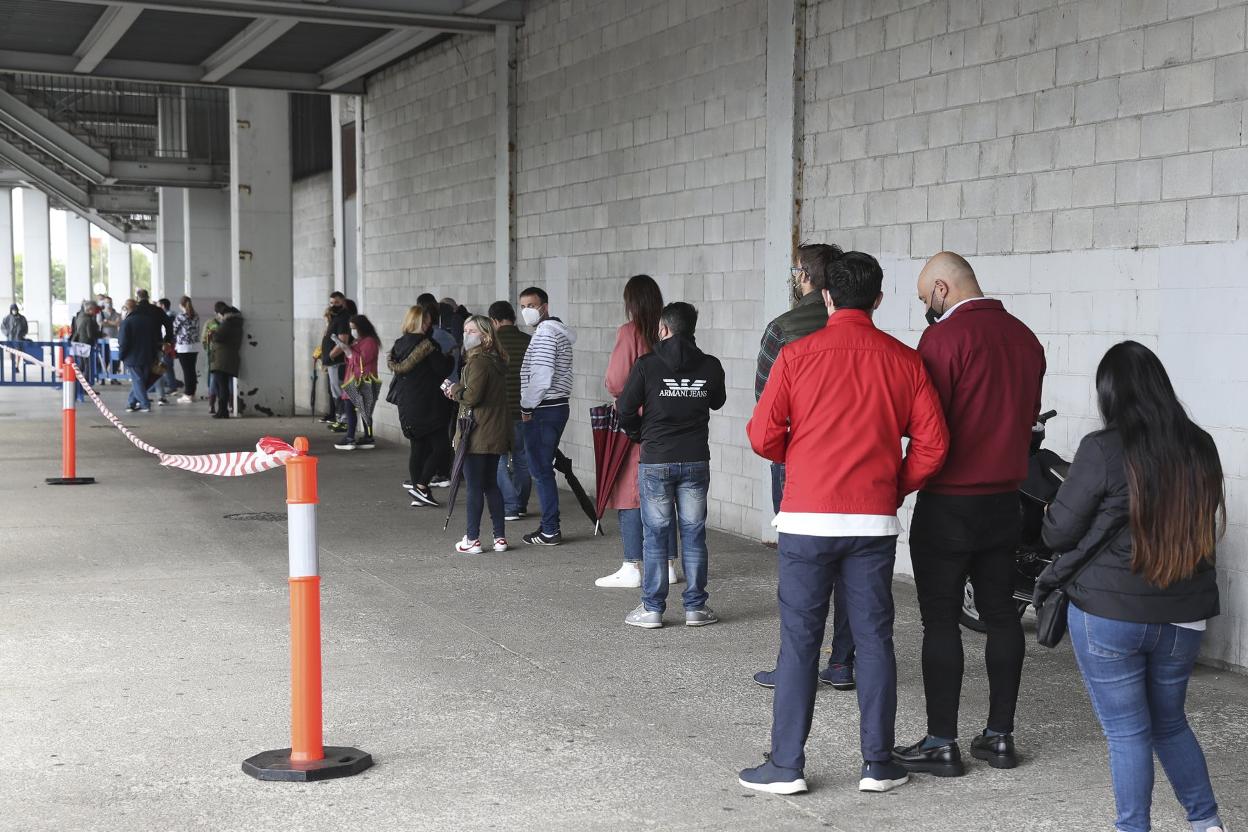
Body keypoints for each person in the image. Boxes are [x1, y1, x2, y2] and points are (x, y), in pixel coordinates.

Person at [738, 251, 949, 796]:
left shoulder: (795, 355)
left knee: (799, 642)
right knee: (875, 641)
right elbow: (933, 444)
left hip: (807, 518)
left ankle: (786, 765)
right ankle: (878, 765)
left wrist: (800, 459)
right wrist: (893, 486)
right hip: (871, 522)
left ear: (827, 296)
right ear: (878, 299)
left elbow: (762, 435)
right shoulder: (905, 360)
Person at [1037, 342, 1225, 832]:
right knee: (1171, 723)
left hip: (1109, 615)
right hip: (1183, 615)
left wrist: (1053, 508)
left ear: (1110, 394)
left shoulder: (1102, 448)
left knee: (1127, 733)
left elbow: (1058, 533)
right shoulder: (1200, 444)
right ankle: (1207, 823)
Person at [892, 252, 1046, 777]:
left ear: (941, 288)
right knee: (1002, 615)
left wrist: (901, 483)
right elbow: (1028, 420)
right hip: (1005, 501)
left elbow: (925, 424)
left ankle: (941, 742)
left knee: (940, 620)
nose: (926, 308)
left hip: (949, 503)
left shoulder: (943, 340)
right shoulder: (1026, 338)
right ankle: (1000, 737)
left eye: (924, 298)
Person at [752, 243, 856, 692]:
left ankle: (796, 667)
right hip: (858, 464)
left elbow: (766, 408)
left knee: (801, 570)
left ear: (805, 277)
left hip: (799, 463)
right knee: (853, 569)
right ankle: (843, 663)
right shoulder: (865, 332)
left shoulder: (783, 329)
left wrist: (785, 454)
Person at [617, 302, 726, 629]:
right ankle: (696, 608)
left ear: (663, 329)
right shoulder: (710, 365)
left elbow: (624, 409)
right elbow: (718, 401)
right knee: (694, 534)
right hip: (695, 459)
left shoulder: (646, 365)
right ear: (691, 330)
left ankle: (652, 609)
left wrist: (639, 435)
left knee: (655, 535)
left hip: (656, 460)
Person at [596, 275, 681, 589]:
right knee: (663, 493)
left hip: (637, 422)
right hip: (669, 420)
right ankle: (668, 565)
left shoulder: (630, 331)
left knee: (630, 493)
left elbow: (617, 380)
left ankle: (632, 565)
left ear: (631, 302)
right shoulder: (669, 331)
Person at [445, 315, 511, 554]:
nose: (466, 335)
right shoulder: (496, 361)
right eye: (465, 330)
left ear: (486, 336)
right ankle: (499, 537)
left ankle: (472, 538)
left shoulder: (477, 363)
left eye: (472, 331)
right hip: (495, 431)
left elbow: (472, 397)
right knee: (491, 484)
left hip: (475, 433)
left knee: (474, 486)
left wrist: (454, 389)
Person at [518, 286, 576, 546]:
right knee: (543, 468)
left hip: (543, 408)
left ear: (545, 306)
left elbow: (541, 375)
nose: (526, 311)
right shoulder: (557, 332)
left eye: (531, 306)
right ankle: (549, 526)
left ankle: (550, 529)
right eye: (523, 307)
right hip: (556, 406)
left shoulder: (544, 334)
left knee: (540, 469)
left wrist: (527, 407)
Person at [387, 305, 452, 508]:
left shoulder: (398, 345)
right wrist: (450, 358)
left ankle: (419, 492)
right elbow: (442, 369)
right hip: (428, 404)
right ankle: (422, 485)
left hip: (407, 405)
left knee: (418, 448)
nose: (428, 325)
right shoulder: (427, 345)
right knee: (441, 447)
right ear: (417, 322)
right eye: (425, 322)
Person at [489, 300, 533, 521]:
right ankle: (521, 503)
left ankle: (510, 505)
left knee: (498, 460)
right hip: (524, 411)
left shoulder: (491, 345)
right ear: (513, 318)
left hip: (499, 413)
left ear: (494, 321)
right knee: (522, 459)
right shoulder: (528, 341)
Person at [333, 314, 382, 450]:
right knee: (358, 409)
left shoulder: (370, 342)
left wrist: (348, 352)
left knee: (358, 409)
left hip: (364, 380)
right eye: (351, 328)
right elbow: (351, 359)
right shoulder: (358, 341)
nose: (352, 331)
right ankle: (365, 437)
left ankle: (352, 437)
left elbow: (362, 360)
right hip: (354, 379)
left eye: (354, 328)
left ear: (362, 327)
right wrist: (346, 349)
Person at [118, 297, 163, 413]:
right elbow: (155, 338)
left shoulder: (127, 322)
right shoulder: (148, 320)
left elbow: (123, 342)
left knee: (138, 381)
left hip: (132, 357)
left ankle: (145, 404)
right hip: (148, 355)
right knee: (140, 381)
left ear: (126, 309)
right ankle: (131, 403)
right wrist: (155, 354)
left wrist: (121, 355)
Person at [321, 292, 352, 431]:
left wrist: (330, 357)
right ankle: (339, 419)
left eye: (337, 303)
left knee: (340, 391)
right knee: (335, 392)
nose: (333, 306)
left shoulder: (343, 319)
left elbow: (342, 342)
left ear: (343, 303)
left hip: (338, 362)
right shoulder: (335, 318)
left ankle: (344, 421)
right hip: (332, 362)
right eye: (331, 303)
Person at [209, 303, 243, 419]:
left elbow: (218, 337)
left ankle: (222, 411)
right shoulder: (236, 323)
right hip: (229, 356)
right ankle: (223, 410)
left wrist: (213, 333)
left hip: (222, 357)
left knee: (221, 385)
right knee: (224, 385)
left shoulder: (228, 324)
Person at [173, 297, 201, 404]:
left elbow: (174, 330)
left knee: (187, 371)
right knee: (192, 370)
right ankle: (192, 393)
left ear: (181, 305)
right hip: (195, 346)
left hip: (184, 347)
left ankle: (188, 394)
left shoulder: (180, 316)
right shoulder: (196, 316)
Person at [71, 301, 101, 383]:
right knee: (87, 364)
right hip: (86, 344)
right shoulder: (88, 319)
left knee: (81, 364)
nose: (95, 312)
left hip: (79, 343)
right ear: (90, 309)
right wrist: (100, 335)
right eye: (94, 309)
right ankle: (85, 383)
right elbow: (90, 334)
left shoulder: (79, 317)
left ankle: (78, 382)